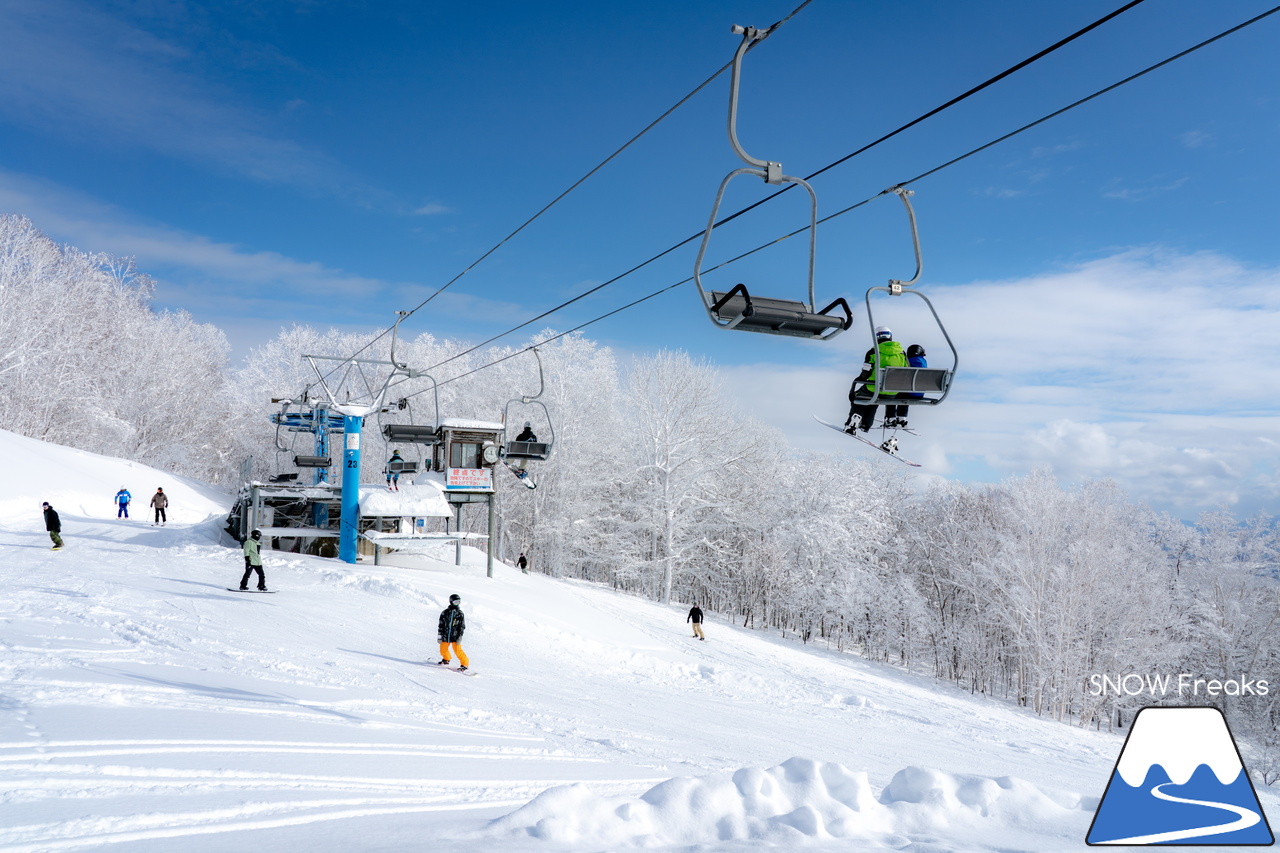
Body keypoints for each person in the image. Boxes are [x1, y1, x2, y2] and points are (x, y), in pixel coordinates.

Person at [845, 326, 909, 433]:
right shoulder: (901, 353)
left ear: (877, 337)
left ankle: (853, 423)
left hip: (874, 388)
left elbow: (866, 371)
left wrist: (861, 378)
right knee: (874, 400)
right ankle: (866, 424)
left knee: (859, 396)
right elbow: (906, 370)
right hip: (892, 391)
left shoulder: (873, 351)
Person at [437, 593, 470, 671]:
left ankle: (464, 664)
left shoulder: (460, 614)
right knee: (443, 649)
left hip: (455, 636)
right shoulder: (445, 613)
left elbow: (462, 626)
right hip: (445, 635)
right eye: (455, 602)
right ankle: (446, 659)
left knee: (458, 651)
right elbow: (441, 625)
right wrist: (439, 636)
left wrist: (460, 637)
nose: (457, 604)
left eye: (458, 602)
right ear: (451, 602)